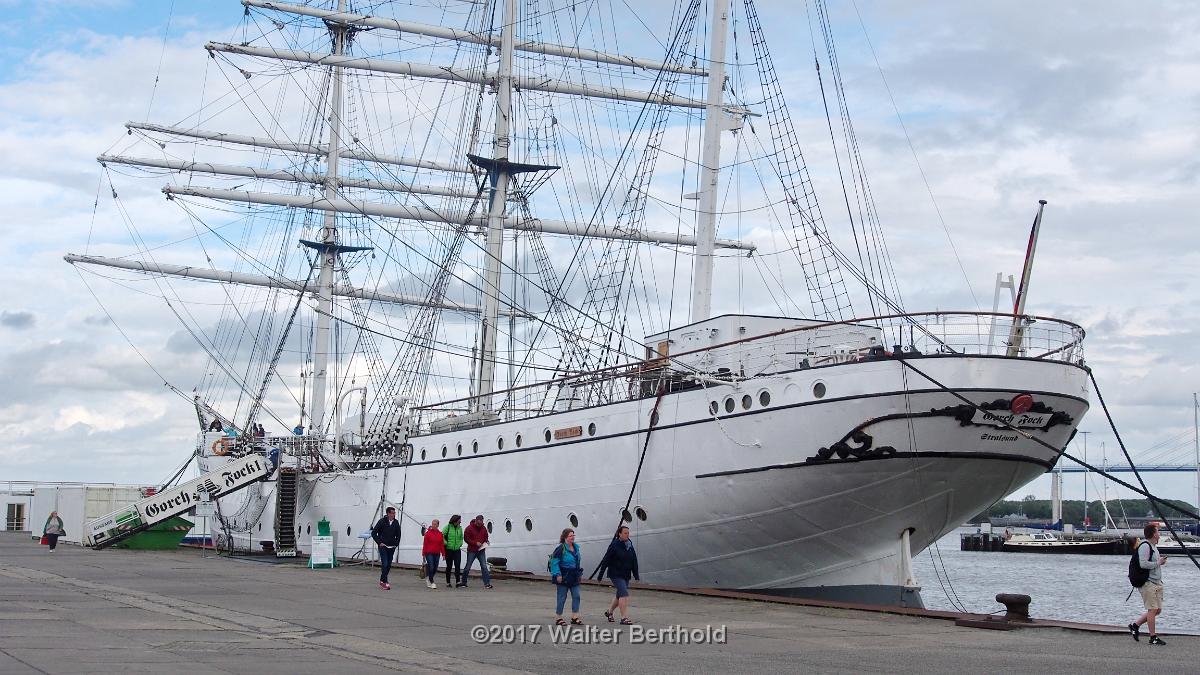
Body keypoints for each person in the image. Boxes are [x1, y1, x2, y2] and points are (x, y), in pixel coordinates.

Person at [1129, 523, 1169, 645]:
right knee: (1152, 609)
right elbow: (1143, 564)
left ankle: (1135, 625)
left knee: (1157, 610)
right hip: (1147, 582)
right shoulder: (1145, 546)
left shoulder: (1153, 546)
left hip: (1156, 582)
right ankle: (1153, 637)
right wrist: (1158, 562)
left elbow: (1152, 562)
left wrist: (1159, 562)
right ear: (1153, 534)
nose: (1159, 534)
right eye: (1157, 532)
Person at [596, 525, 640, 625]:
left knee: (619, 595)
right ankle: (624, 618)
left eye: (628, 533)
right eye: (625, 533)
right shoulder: (614, 545)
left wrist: (636, 575)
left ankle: (609, 612)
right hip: (615, 574)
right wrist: (600, 574)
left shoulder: (629, 545)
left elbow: (634, 560)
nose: (627, 535)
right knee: (624, 593)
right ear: (619, 534)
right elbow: (606, 559)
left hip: (626, 574)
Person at [549, 528, 583, 626]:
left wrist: (579, 574)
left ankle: (574, 616)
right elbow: (554, 562)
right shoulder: (561, 548)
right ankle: (558, 617)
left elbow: (578, 562)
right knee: (562, 597)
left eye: (573, 535)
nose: (573, 537)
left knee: (576, 596)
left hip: (574, 576)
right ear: (565, 537)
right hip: (564, 575)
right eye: (570, 535)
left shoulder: (576, 548)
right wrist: (558, 574)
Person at [370, 507, 401, 590]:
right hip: (383, 546)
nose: (393, 515)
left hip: (392, 547)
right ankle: (385, 582)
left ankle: (382, 580)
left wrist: (396, 544)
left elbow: (398, 534)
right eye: (392, 513)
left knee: (389, 565)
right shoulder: (382, 522)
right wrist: (379, 543)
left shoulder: (396, 523)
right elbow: (373, 533)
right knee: (385, 563)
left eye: (394, 513)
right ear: (388, 513)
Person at [463, 514, 493, 589]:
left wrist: (486, 541)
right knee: (468, 566)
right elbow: (466, 539)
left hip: (481, 550)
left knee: (484, 566)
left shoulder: (483, 528)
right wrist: (475, 543)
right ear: (476, 521)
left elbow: (486, 536)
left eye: (481, 522)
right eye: (479, 522)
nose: (480, 524)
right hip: (472, 550)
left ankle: (487, 583)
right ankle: (464, 582)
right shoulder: (469, 528)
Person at [442, 515, 465, 588]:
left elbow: (461, 537)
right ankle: (448, 582)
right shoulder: (448, 527)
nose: (460, 521)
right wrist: (446, 543)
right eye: (459, 520)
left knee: (457, 566)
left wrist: (460, 544)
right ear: (455, 520)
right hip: (449, 550)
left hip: (457, 550)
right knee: (449, 566)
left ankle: (458, 582)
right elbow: (441, 535)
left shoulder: (460, 528)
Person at [422, 518, 445, 589]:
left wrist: (443, 554)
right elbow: (425, 544)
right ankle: (432, 582)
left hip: (437, 553)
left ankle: (429, 577)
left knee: (435, 568)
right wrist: (423, 554)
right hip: (429, 553)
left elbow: (441, 544)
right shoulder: (428, 533)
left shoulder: (440, 534)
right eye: (432, 524)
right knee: (431, 567)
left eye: (435, 524)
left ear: (438, 525)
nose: (433, 525)